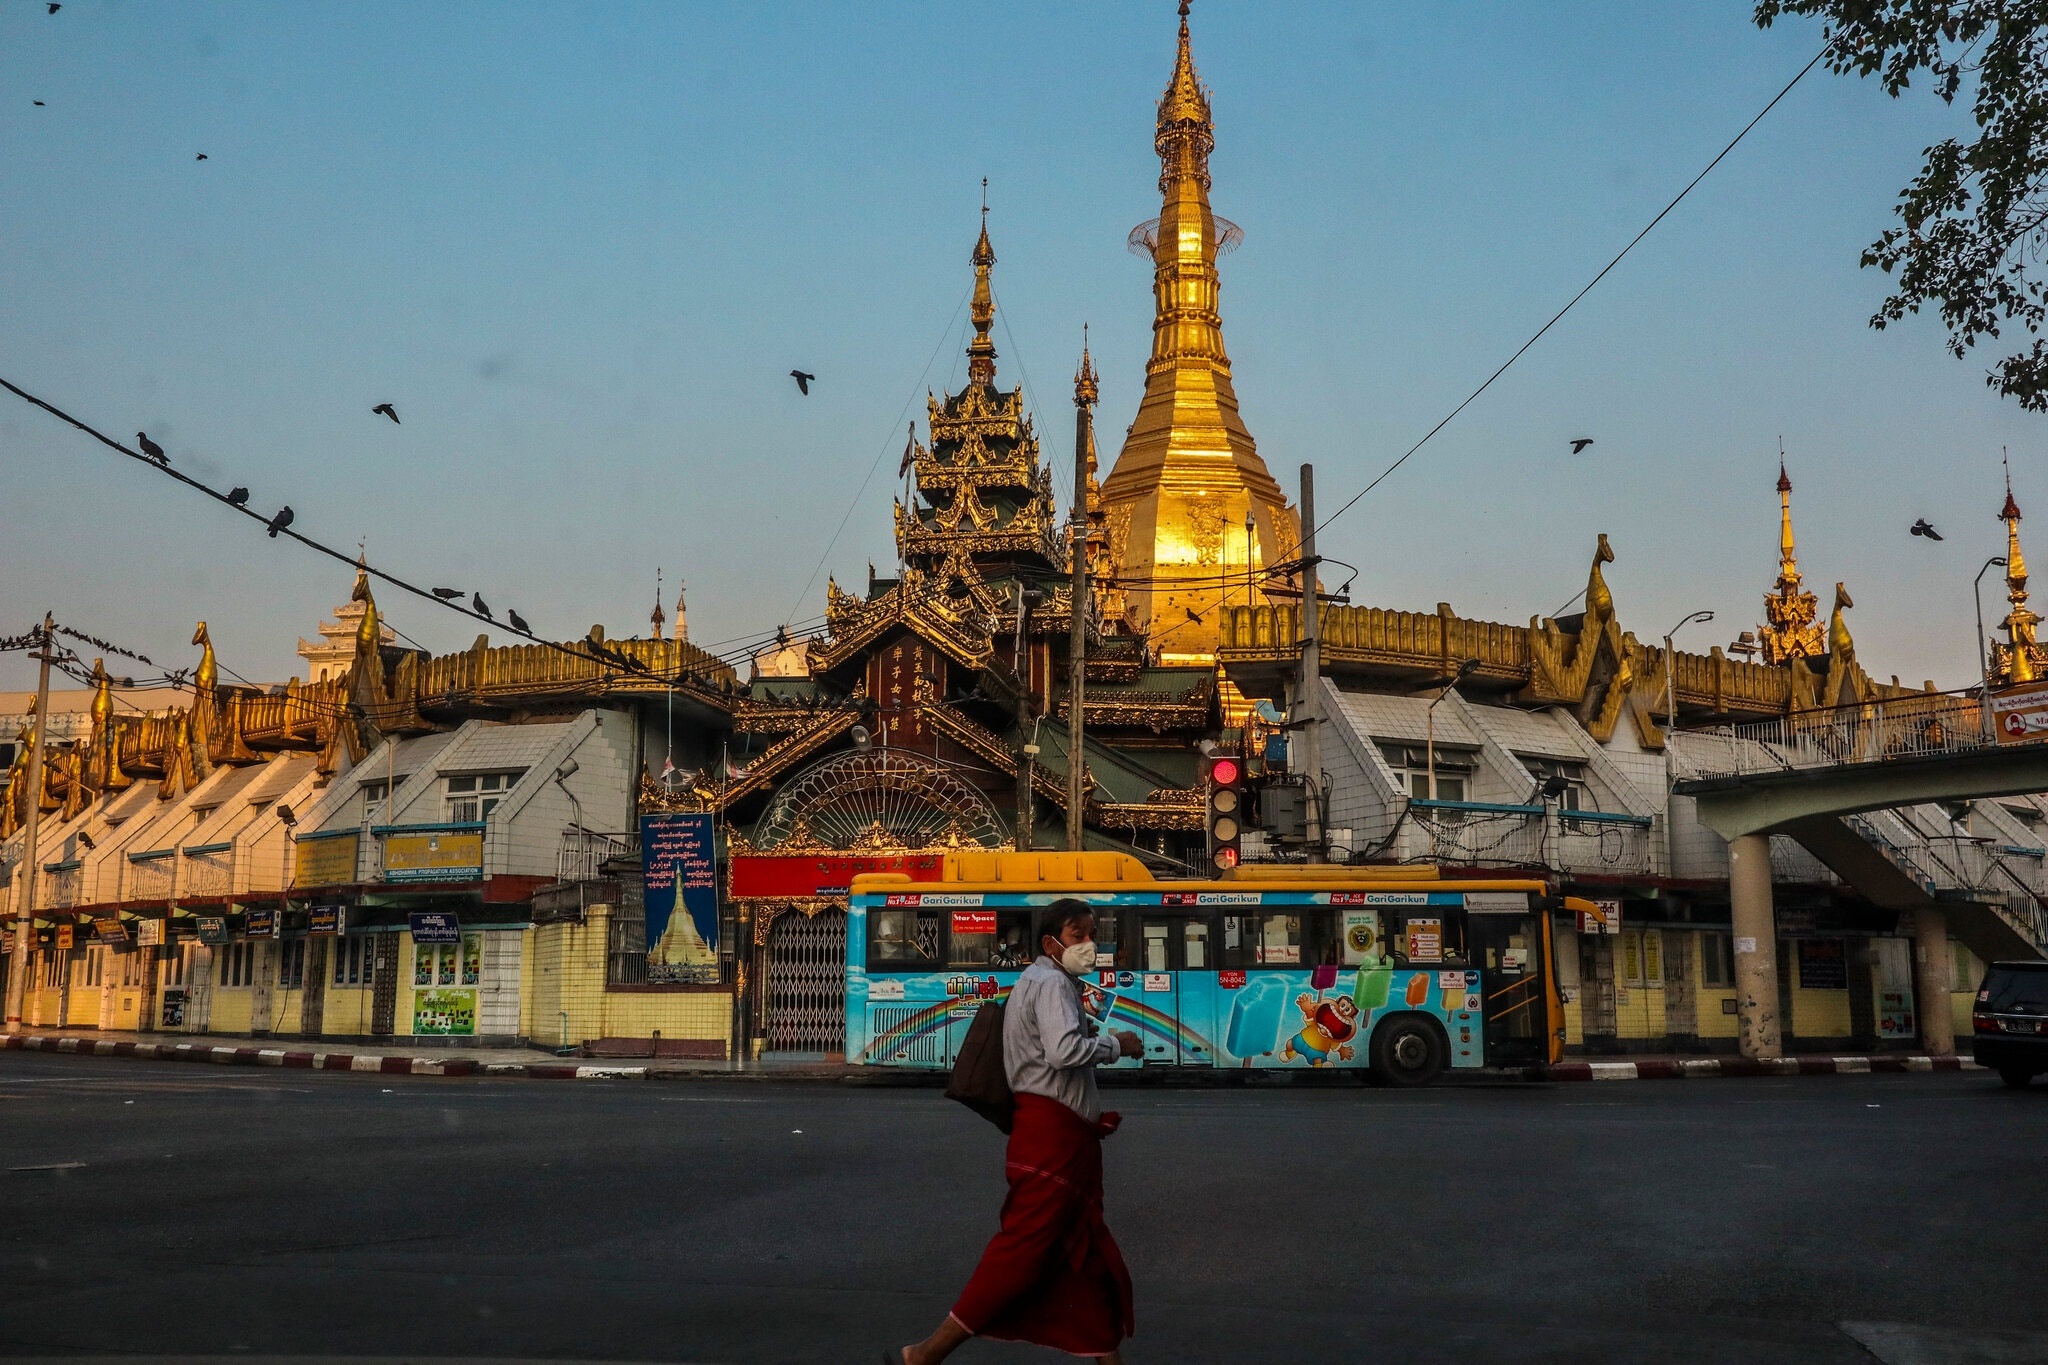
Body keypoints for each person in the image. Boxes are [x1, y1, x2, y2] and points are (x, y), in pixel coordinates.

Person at [894, 899, 1144, 1365]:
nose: (1089, 944)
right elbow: (1064, 1052)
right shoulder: (1051, 984)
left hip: (1058, 1136)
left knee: (1083, 1251)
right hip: (1053, 1140)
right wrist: (1116, 1045)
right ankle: (927, 1352)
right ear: (1050, 943)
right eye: (1078, 936)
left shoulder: (1037, 980)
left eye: (1092, 934)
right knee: (1023, 1250)